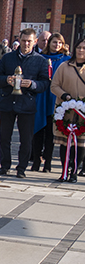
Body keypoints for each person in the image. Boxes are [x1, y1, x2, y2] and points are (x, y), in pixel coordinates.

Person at [0, 28, 51, 178]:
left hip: (27, 103)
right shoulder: (8, 58)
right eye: (23, 40)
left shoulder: (40, 60)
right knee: (4, 137)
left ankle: (21, 168)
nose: (26, 44)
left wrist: (31, 84)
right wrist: (6, 80)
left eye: (29, 41)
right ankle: (4, 166)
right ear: (19, 39)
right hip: (8, 101)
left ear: (35, 42)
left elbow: (45, 83)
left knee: (26, 139)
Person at [33, 33, 70, 172]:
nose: (57, 45)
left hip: (56, 98)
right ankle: (36, 160)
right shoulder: (40, 58)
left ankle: (48, 162)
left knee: (51, 132)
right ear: (49, 43)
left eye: (59, 43)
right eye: (54, 42)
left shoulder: (66, 60)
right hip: (41, 97)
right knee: (38, 131)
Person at [50, 36, 85, 182]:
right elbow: (54, 86)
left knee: (81, 143)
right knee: (65, 143)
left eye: (84, 48)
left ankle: (74, 172)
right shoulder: (64, 66)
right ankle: (64, 171)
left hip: (83, 113)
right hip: (66, 112)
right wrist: (65, 96)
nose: (81, 51)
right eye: (78, 48)